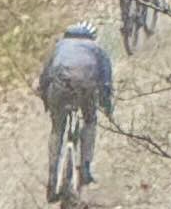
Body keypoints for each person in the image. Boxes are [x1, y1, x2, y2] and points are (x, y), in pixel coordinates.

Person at [38, 17, 115, 195]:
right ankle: (86, 168)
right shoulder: (97, 49)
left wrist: (46, 100)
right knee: (89, 121)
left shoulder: (59, 47)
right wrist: (107, 106)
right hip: (86, 87)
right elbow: (106, 82)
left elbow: (45, 76)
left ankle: (52, 176)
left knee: (57, 129)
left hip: (60, 87)